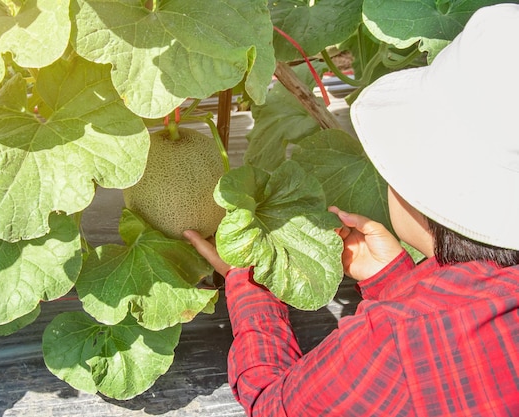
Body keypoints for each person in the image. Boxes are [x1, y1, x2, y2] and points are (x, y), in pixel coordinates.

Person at [183, 4, 519, 416]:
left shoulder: (396, 341)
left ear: (424, 189)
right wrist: (393, 280)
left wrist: (248, 284)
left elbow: (274, 406)